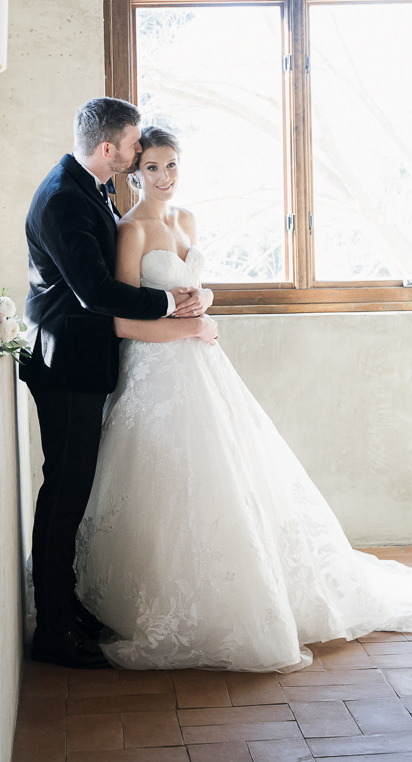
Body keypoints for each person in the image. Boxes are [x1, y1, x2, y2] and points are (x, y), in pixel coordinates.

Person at [75, 125, 412, 672]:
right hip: (157, 369)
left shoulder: (186, 220)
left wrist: (199, 303)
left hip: (204, 364)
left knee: (233, 473)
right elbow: (120, 322)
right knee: (170, 483)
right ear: (135, 174)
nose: (165, 177)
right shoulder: (131, 230)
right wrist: (190, 328)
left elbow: (190, 289)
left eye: (172, 165)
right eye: (154, 167)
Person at [21, 100, 218, 669]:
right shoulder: (62, 197)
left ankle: (70, 607)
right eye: (135, 146)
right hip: (66, 364)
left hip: (85, 360)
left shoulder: (88, 188)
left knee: (77, 491)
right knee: (63, 493)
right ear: (109, 149)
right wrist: (173, 304)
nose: (141, 155)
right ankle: (53, 631)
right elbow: (95, 291)